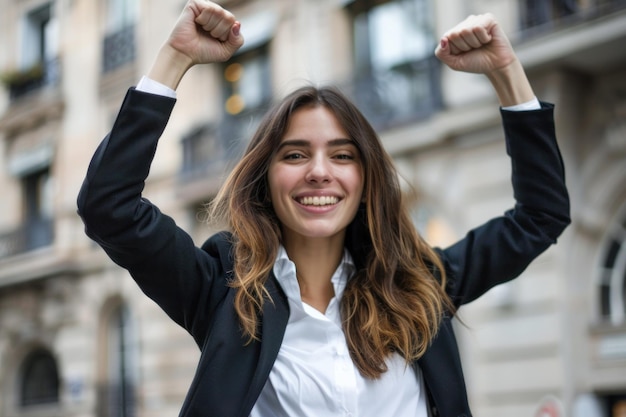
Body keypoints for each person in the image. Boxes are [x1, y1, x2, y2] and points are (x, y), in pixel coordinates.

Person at [77, 1, 570, 416]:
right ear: (266, 179)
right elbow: (109, 206)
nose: (319, 171)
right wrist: (174, 58)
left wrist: (508, 74)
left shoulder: (419, 284)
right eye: (294, 155)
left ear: (365, 177)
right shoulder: (223, 290)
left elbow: (540, 216)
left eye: (342, 155)